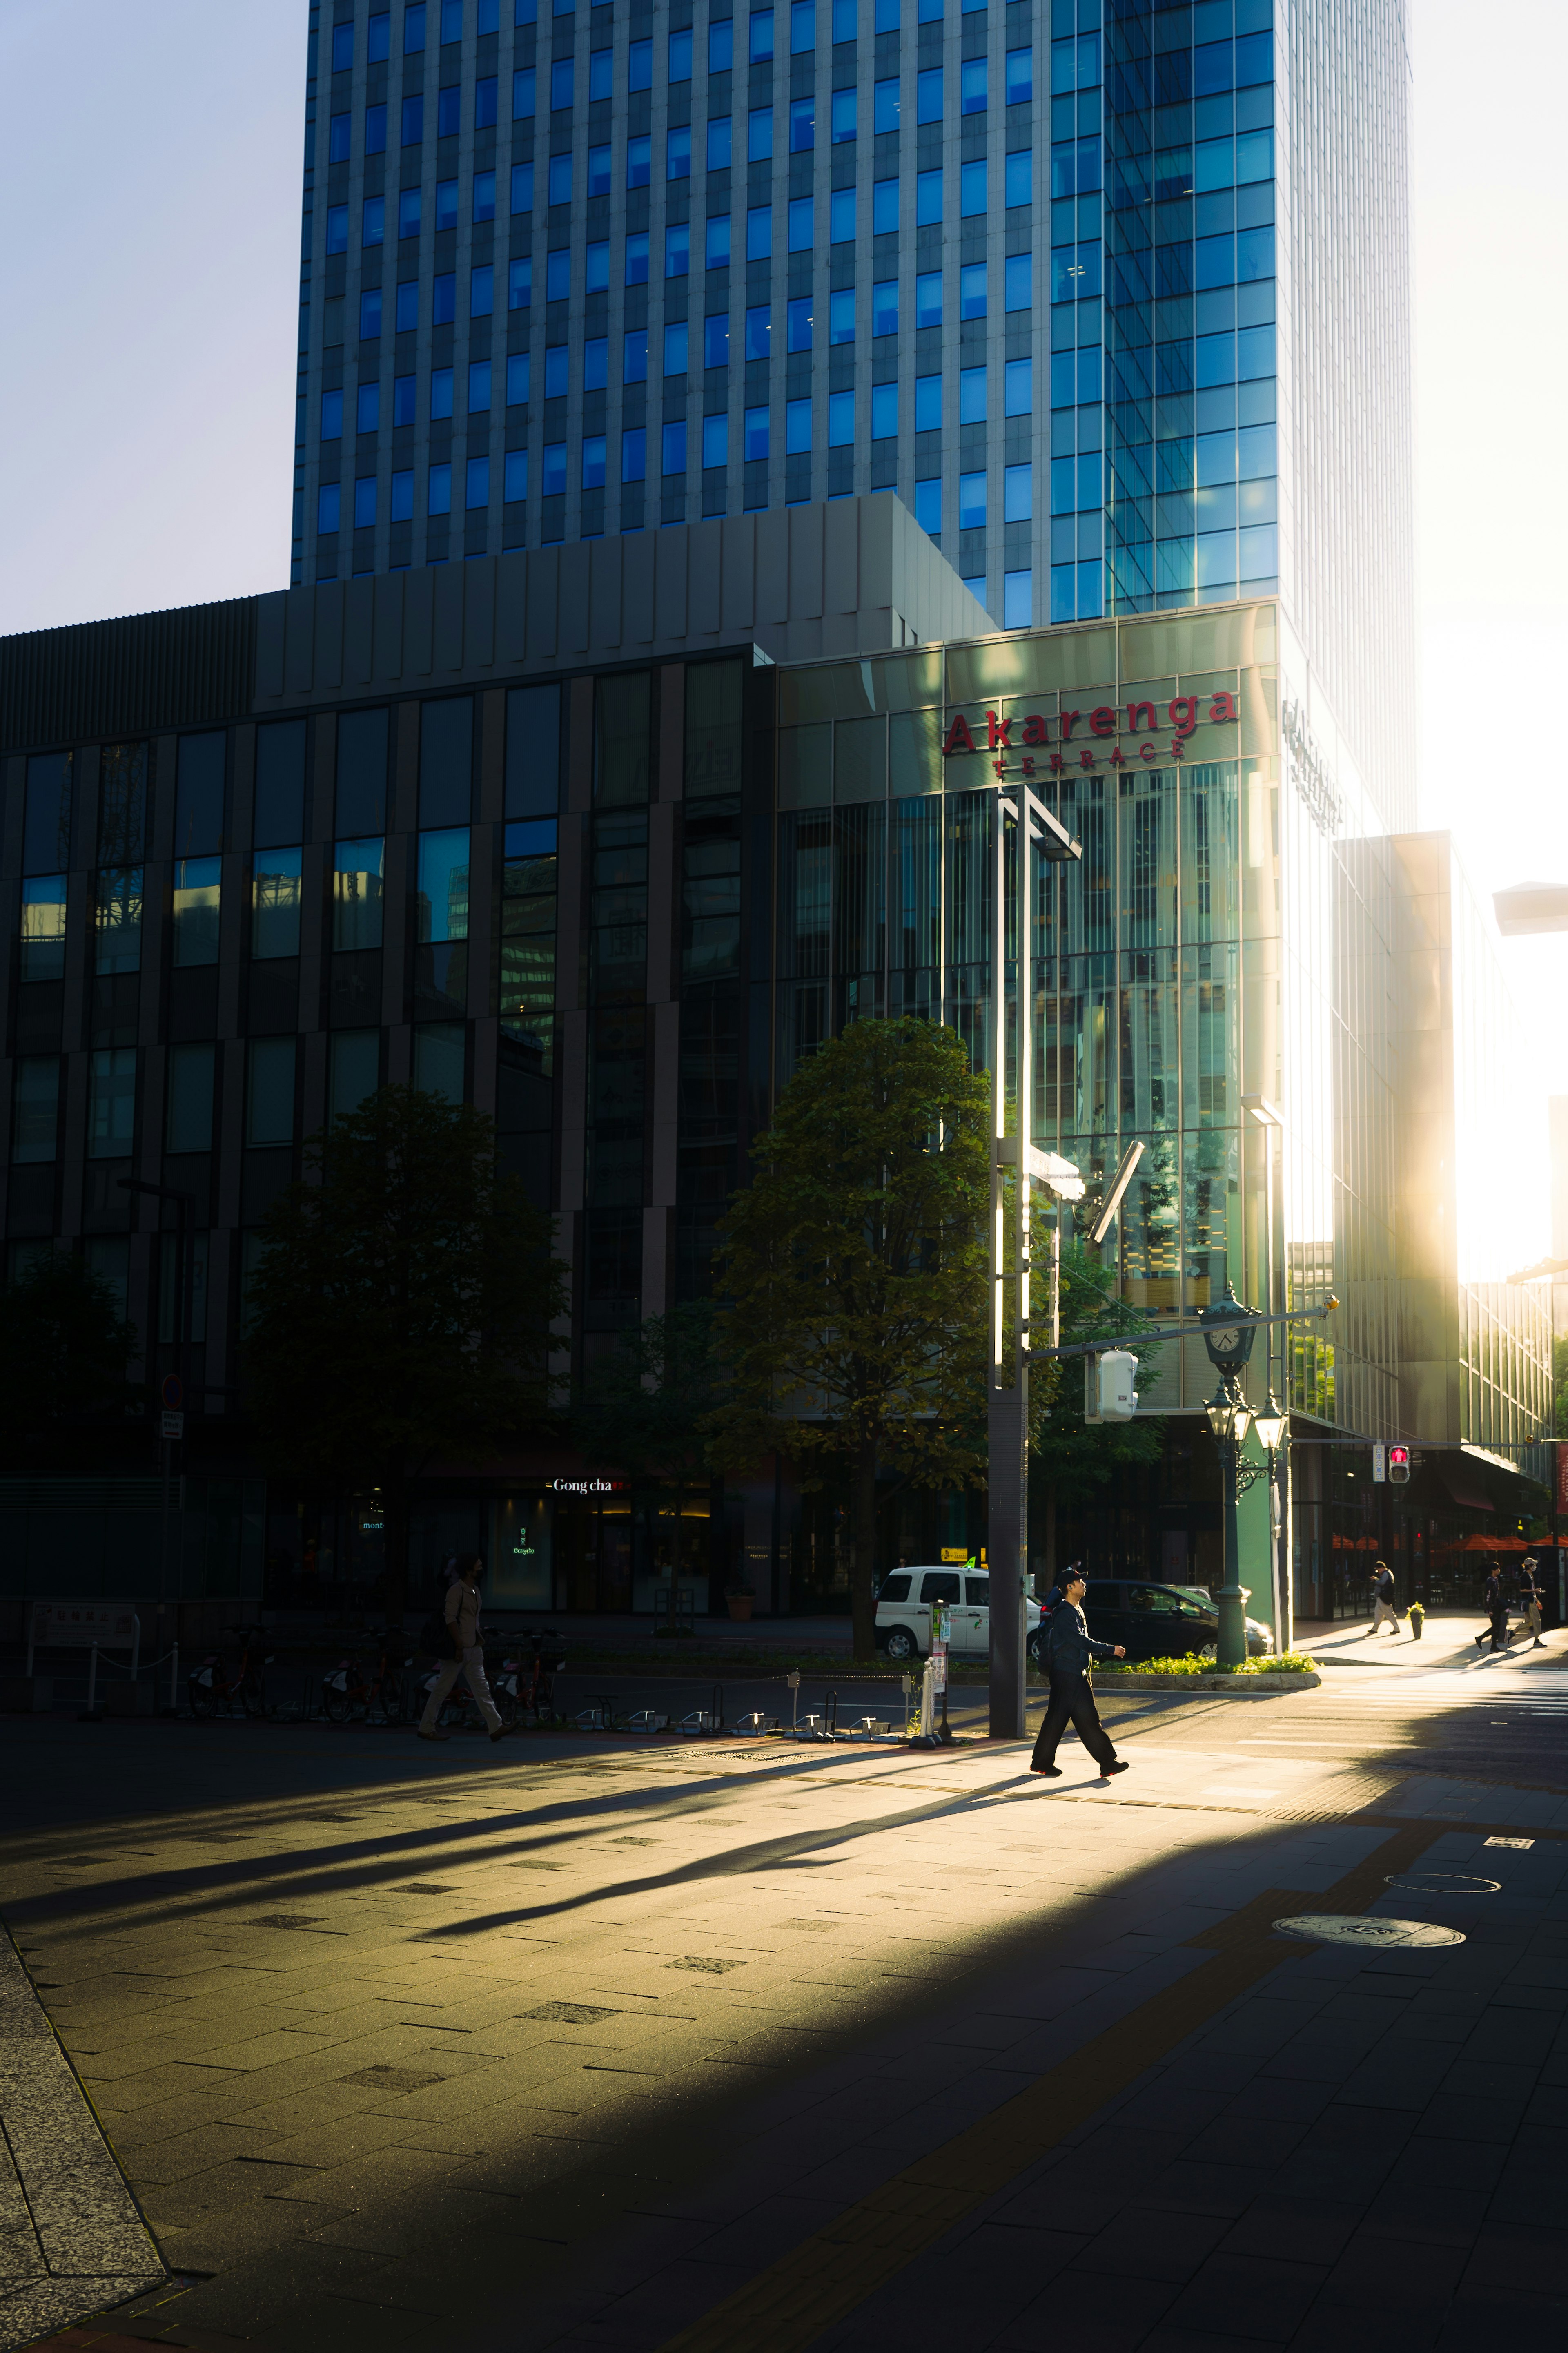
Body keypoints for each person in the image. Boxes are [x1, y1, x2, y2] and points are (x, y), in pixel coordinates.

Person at [1029, 1566, 1129, 1780]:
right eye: (1080, 1582)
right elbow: (1079, 1641)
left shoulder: (1076, 1610)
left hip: (1074, 1674)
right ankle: (1105, 1763)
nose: (1084, 1584)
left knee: (1079, 1720)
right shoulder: (1065, 1613)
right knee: (1068, 1720)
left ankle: (1045, 1763)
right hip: (1067, 1675)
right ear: (1069, 1587)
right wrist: (1110, 1648)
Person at [419, 1553, 508, 1742]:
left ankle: (496, 1727)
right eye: (479, 1566)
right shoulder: (456, 1590)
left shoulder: (475, 1590)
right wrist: (459, 1645)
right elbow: (450, 1618)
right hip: (459, 1650)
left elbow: (472, 1619)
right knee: (442, 1689)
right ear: (469, 1571)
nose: (482, 1568)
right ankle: (426, 1727)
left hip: (474, 1648)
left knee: (482, 1689)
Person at [1475, 1563, 1510, 1654]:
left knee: (1497, 1626)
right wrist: (1490, 1609)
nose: (1499, 1570)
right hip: (1493, 1607)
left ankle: (1492, 1645)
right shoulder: (1490, 1580)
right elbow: (1488, 1595)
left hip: (1497, 1606)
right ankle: (1482, 1639)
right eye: (1498, 1569)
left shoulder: (1495, 1579)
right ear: (1493, 1570)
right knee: (1496, 1626)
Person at [1519, 1556, 1546, 1650]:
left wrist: (1537, 1600)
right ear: (1530, 1566)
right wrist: (1535, 1591)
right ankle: (1537, 1640)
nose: (1534, 1566)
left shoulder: (1530, 1575)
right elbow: (1522, 1590)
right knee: (1536, 1620)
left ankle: (1511, 1633)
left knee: (1529, 1623)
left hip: (1532, 1600)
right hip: (1529, 1601)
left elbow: (1532, 1590)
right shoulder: (1525, 1576)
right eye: (1533, 1565)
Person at [1368, 1560, 1399, 1638]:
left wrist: (1375, 1580)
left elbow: (1382, 1583)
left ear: (1382, 1568)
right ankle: (1375, 1628)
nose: (1378, 1571)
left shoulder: (1386, 1574)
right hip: (1382, 1597)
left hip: (1384, 1597)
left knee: (1388, 1612)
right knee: (1378, 1613)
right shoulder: (1388, 1573)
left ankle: (1396, 1628)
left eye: (1378, 1570)